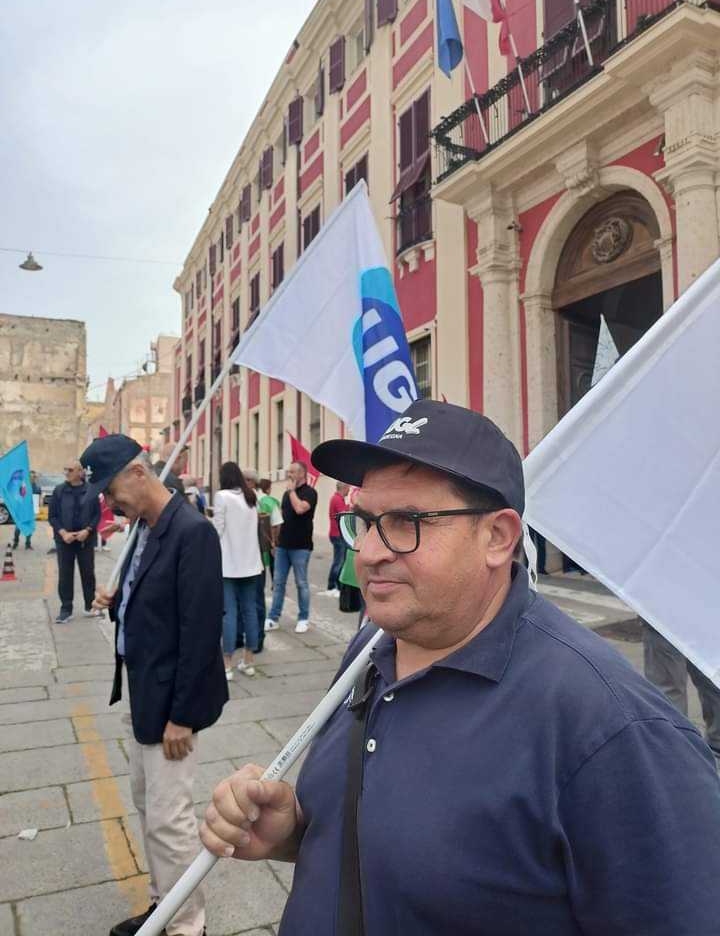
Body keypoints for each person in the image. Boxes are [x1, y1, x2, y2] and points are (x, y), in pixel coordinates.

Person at [201, 399, 720, 936]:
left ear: (497, 537)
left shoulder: (615, 732)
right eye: (364, 522)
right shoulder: (371, 652)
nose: (370, 552)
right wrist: (293, 831)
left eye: (406, 522)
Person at [87, 434, 227, 936]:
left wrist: (182, 717)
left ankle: (187, 925)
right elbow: (155, 601)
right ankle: (164, 903)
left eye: (110, 491)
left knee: (170, 820)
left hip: (172, 704)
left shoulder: (193, 532)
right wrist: (119, 601)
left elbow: (200, 630)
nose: (108, 503)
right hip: (144, 691)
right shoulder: (144, 529)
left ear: (138, 474)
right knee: (149, 808)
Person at [643, 622, 720, 764]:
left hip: (664, 614)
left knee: (667, 690)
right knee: (711, 676)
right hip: (706, 613)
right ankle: (716, 744)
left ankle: (674, 752)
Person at [213, 462, 263, 680]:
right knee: (250, 611)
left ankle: (227, 664)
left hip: (229, 565)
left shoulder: (222, 497)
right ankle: (249, 660)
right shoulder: (252, 496)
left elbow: (217, 529)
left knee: (229, 613)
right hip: (252, 564)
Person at [265, 460, 318, 634]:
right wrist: (275, 540)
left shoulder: (310, 493)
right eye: (288, 472)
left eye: (292, 472)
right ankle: (273, 618)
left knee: (301, 583)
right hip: (283, 546)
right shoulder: (287, 494)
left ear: (302, 474)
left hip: (301, 547)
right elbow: (281, 517)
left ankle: (303, 618)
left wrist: (292, 492)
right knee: (278, 583)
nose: (289, 475)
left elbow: (300, 509)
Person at [48, 461, 101, 623]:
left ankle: (90, 606)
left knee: (88, 573)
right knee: (65, 575)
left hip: (85, 539)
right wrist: (63, 533)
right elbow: (53, 516)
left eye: (70, 470)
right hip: (65, 540)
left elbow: (96, 515)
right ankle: (66, 609)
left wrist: (88, 530)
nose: (67, 473)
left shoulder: (91, 491)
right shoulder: (59, 491)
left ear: (80, 472)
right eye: (66, 469)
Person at [255, 478, 283, 654]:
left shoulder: (251, 499)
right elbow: (277, 524)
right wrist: (274, 542)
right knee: (272, 570)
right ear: (269, 488)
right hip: (267, 545)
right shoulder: (271, 502)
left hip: (253, 551)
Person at [318, 481, 349, 598]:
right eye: (348, 488)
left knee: (339, 561)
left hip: (336, 534)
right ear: (344, 488)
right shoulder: (337, 499)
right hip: (338, 535)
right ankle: (332, 586)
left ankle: (334, 586)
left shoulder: (337, 499)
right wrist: (350, 508)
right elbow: (344, 515)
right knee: (339, 562)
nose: (349, 491)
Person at [12, 470, 40, 550]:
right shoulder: (23, 486)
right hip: (21, 510)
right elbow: (17, 497)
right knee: (18, 528)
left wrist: (36, 511)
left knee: (29, 527)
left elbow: (37, 500)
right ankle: (15, 542)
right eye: (31, 476)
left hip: (30, 511)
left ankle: (28, 544)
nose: (33, 478)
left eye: (34, 477)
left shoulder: (37, 488)